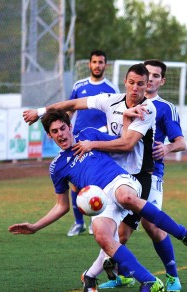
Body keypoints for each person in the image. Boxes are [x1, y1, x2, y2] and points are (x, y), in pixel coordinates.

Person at [23, 63, 187, 292]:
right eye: (133, 82)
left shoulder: (149, 109)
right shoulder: (107, 102)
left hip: (141, 174)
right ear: (125, 82)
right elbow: (71, 104)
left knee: (150, 226)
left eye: (144, 82)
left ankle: (178, 256)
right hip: (113, 174)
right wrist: (40, 111)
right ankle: (117, 277)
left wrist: (165, 146)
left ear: (153, 83)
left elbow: (126, 143)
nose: (137, 87)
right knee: (112, 234)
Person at [98, 59, 185, 292]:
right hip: (122, 174)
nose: (151, 80)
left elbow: (181, 142)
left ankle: (172, 277)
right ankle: (122, 274)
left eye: (156, 76)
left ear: (161, 81)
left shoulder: (165, 108)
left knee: (152, 225)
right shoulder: (125, 101)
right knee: (119, 231)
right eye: (149, 75)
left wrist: (167, 148)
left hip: (151, 174)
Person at [67, 49, 119, 237]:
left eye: (101, 62)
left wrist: (103, 131)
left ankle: (94, 220)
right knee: (75, 182)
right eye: (95, 62)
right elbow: (70, 109)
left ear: (106, 65)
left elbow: (115, 116)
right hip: (78, 139)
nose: (97, 65)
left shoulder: (111, 89)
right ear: (89, 64)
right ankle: (78, 223)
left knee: (97, 180)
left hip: (98, 142)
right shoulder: (79, 85)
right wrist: (62, 126)